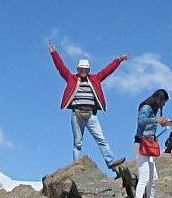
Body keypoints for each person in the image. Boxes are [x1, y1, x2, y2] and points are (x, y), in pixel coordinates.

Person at [48, 42, 128, 171]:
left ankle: (111, 161)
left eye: (85, 69)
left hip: (91, 114)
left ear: (89, 70)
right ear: (78, 69)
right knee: (77, 143)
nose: (83, 71)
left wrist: (118, 60)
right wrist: (54, 53)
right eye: (81, 69)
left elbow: (108, 71)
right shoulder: (71, 78)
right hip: (77, 113)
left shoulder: (95, 79)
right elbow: (60, 67)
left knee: (101, 139)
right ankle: (77, 166)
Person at [132, 89, 171, 198]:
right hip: (141, 144)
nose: (163, 105)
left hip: (148, 145)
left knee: (153, 177)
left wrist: (160, 123)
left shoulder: (153, 110)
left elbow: (147, 125)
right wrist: (156, 120)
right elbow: (140, 121)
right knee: (144, 176)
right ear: (160, 99)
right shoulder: (146, 108)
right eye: (163, 102)